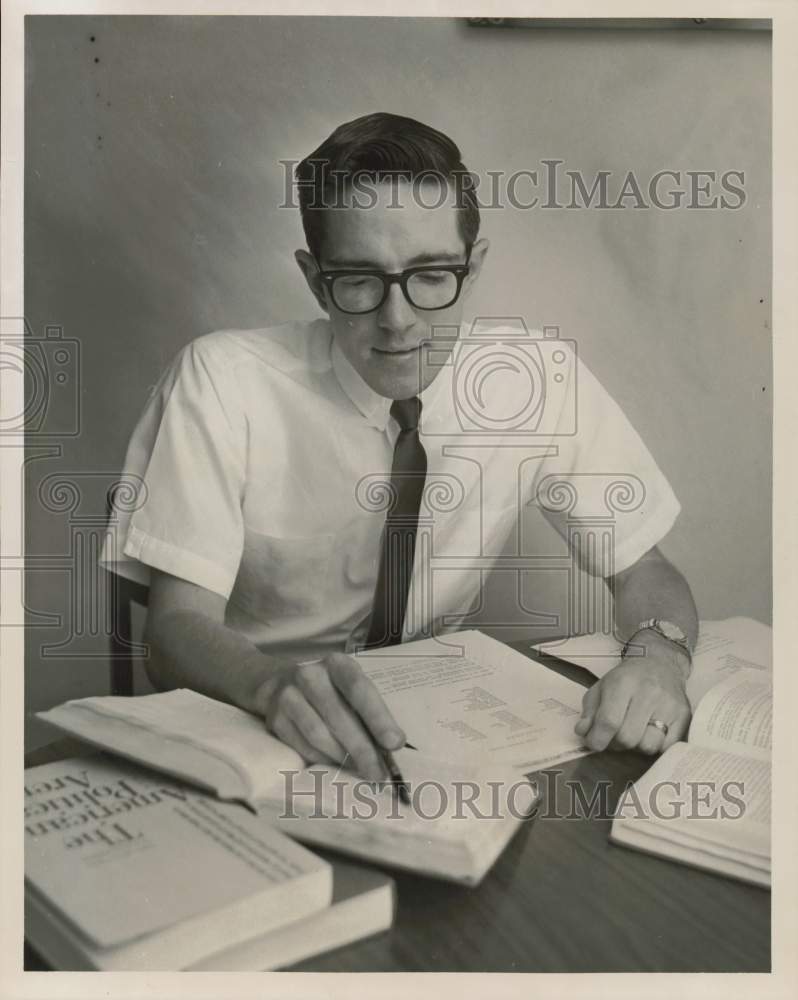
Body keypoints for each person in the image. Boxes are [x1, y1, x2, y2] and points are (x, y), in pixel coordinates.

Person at [100, 112, 698, 783]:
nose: (399, 319)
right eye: (359, 279)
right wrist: (272, 688)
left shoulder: (539, 378)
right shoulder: (222, 380)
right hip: (253, 725)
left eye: (431, 274)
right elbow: (174, 630)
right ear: (313, 278)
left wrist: (657, 657)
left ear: (472, 270)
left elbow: (645, 568)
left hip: (433, 735)